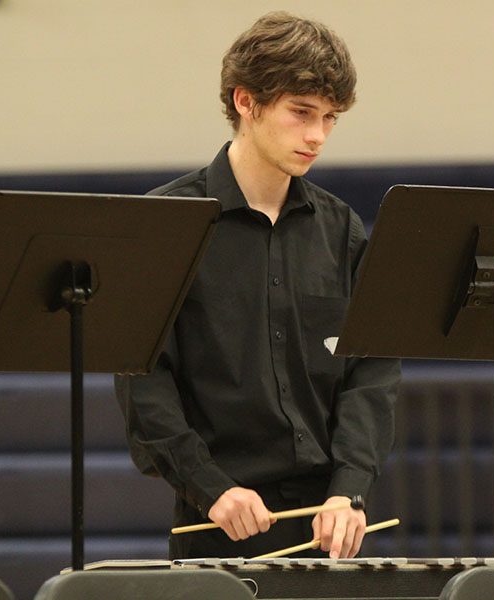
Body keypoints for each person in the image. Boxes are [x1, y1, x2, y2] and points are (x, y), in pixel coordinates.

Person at [115, 11, 400, 560]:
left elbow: (370, 367)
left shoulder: (340, 228)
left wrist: (351, 486)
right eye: (301, 113)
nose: (318, 135)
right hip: (219, 518)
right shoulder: (165, 223)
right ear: (246, 102)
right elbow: (142, 379)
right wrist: (210, 486)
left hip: (330, 522)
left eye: (330, 117)